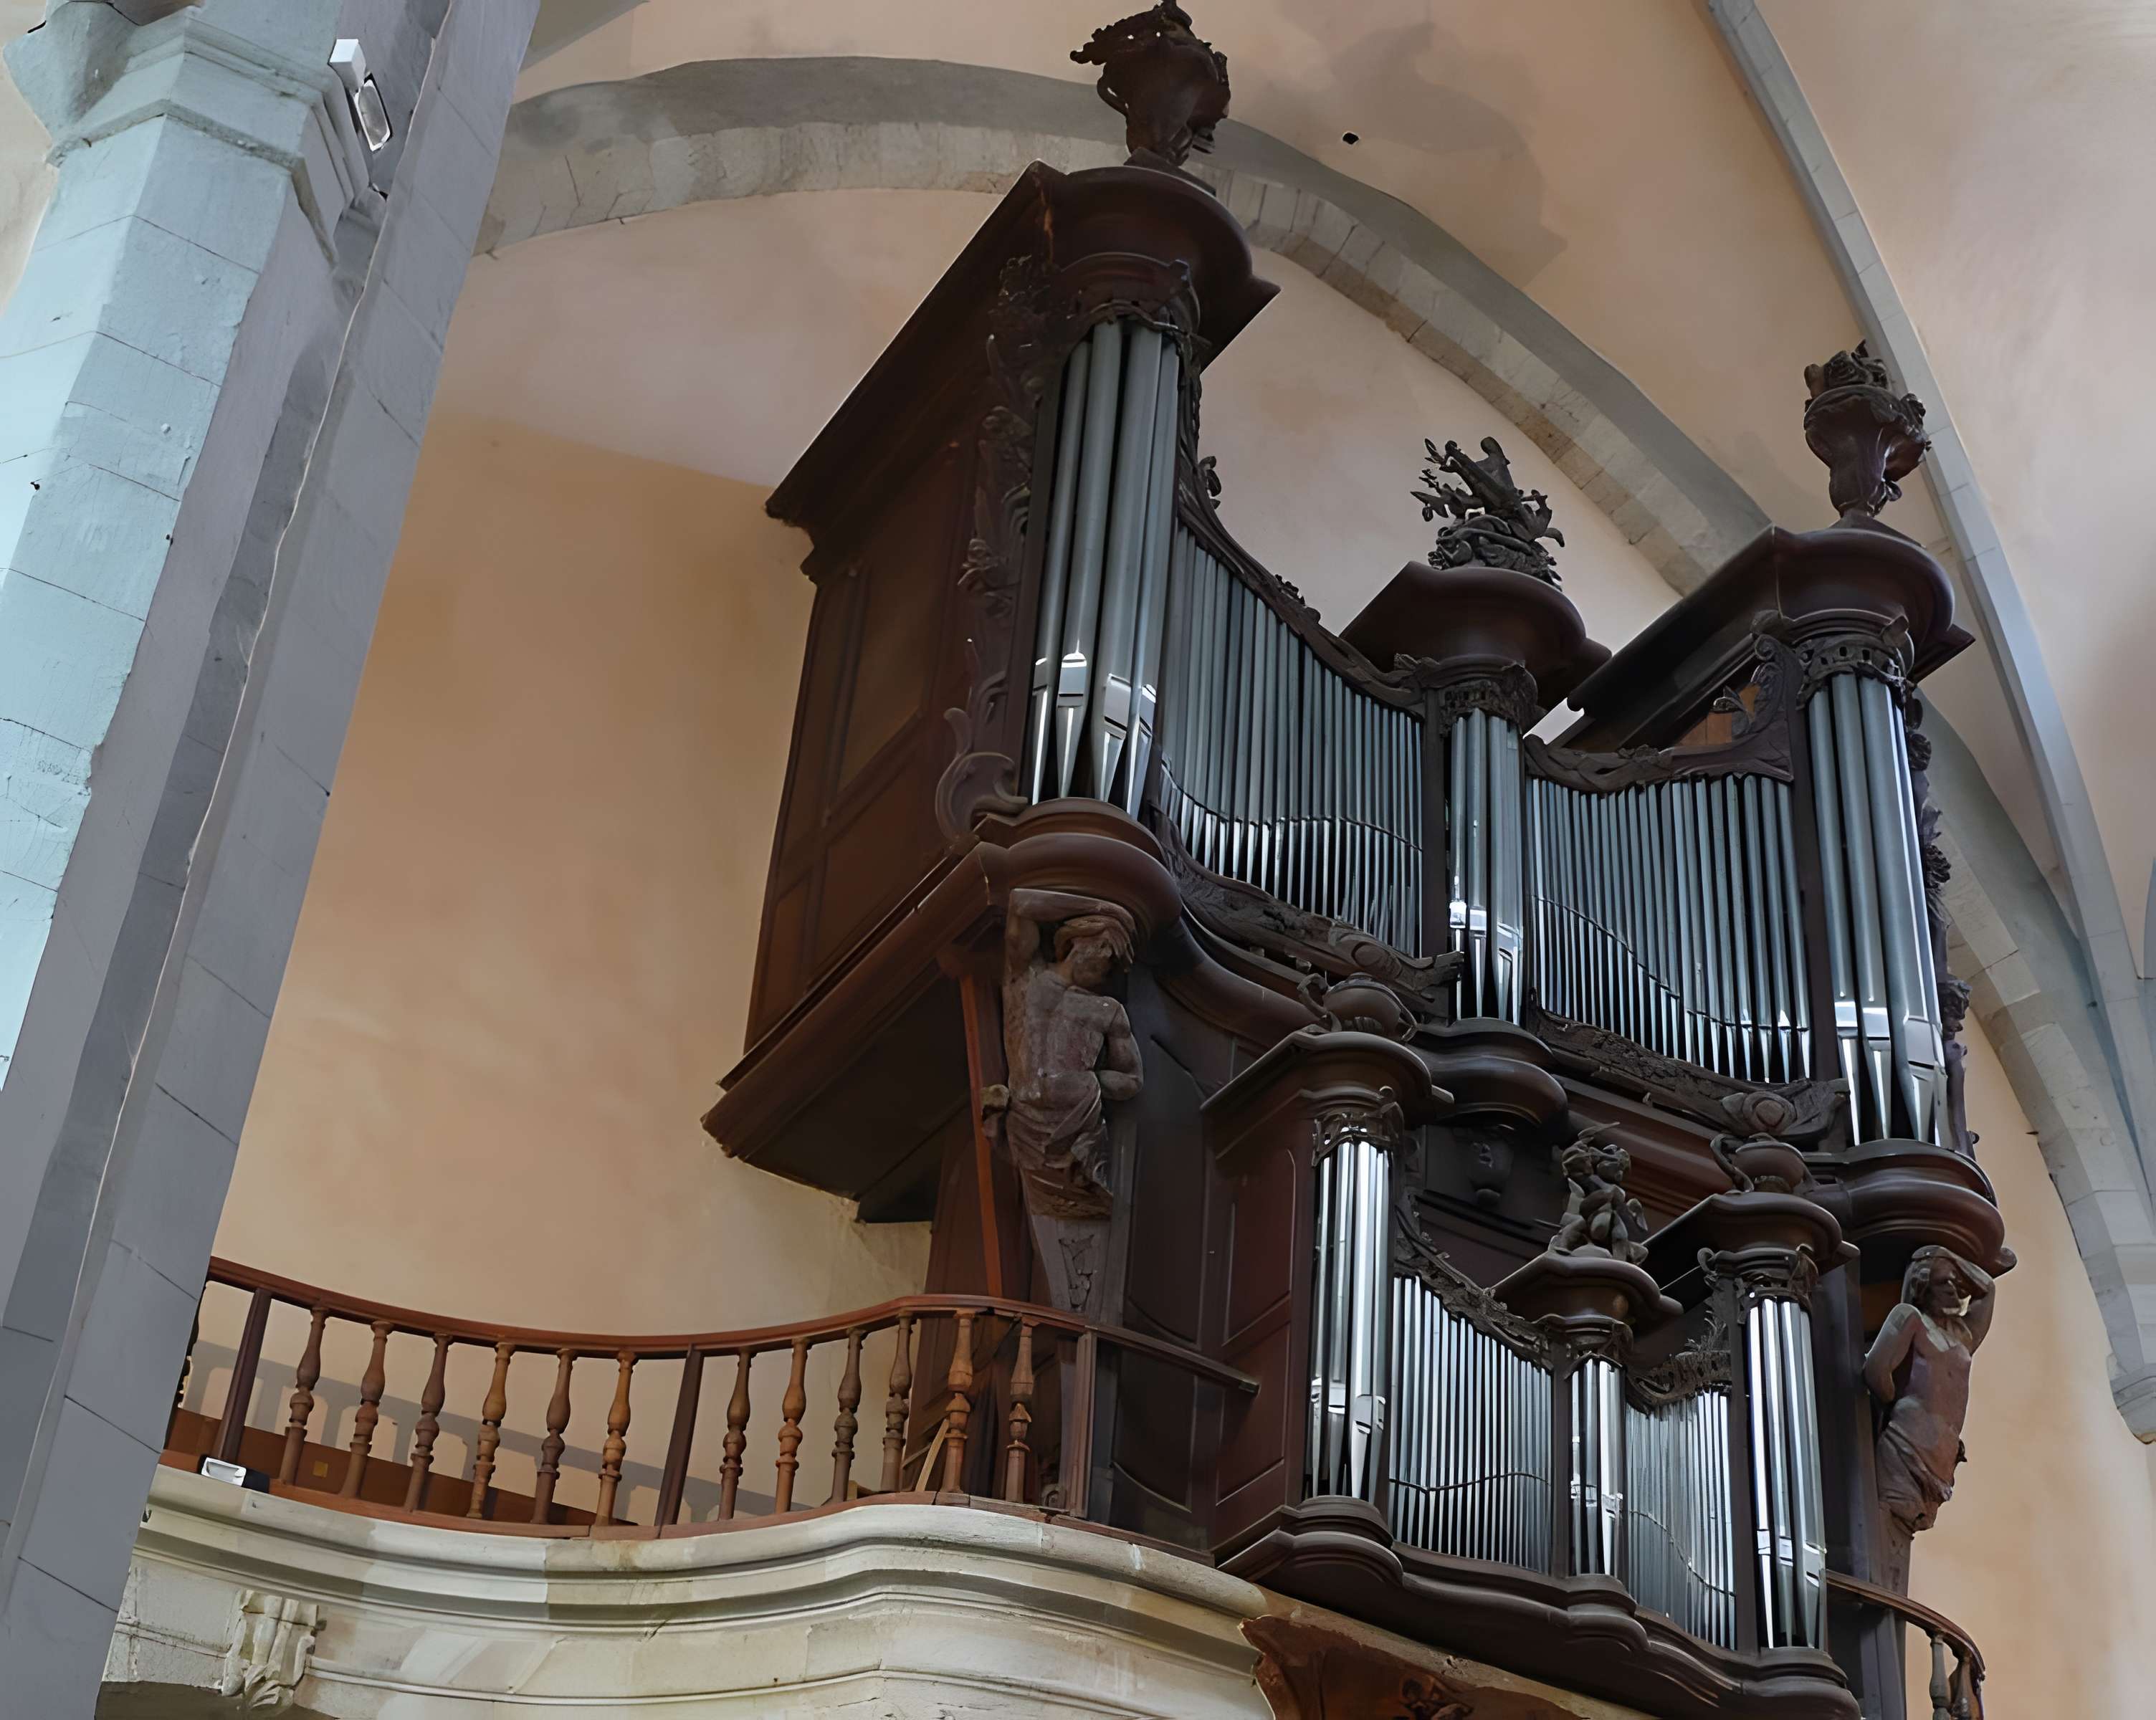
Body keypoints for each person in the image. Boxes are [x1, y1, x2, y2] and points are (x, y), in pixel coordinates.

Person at [1862, 1245, 1996, 1587]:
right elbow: (1877, 1369)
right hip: (1906, 1444)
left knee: (1901, 1537)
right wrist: (1900, 1407)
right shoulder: (1910, 1318)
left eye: (1957, 1284)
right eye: (1944, 1283)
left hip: (1940, 1460)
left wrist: (1946, 1258)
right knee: (1886, 1535)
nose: (1954, 1290)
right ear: (1923, 1286)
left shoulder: (1963, 1336)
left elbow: (1988, 1290)